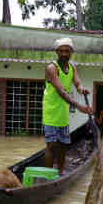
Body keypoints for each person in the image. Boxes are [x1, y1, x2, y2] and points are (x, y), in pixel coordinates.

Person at [42, 37, 93, 176]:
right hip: (51, 112)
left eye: (67, 51)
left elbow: (77, 83)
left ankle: (59, 173)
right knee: (51, 145)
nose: (64, 53)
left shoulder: (72, 67)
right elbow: (61, 92)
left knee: (63, 145)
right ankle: (47, 175)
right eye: (62, 51)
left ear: (71, 52)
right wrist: (79, 107)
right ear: (57, 52)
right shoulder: (52, 68)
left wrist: (81, 88)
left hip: (63, 112)